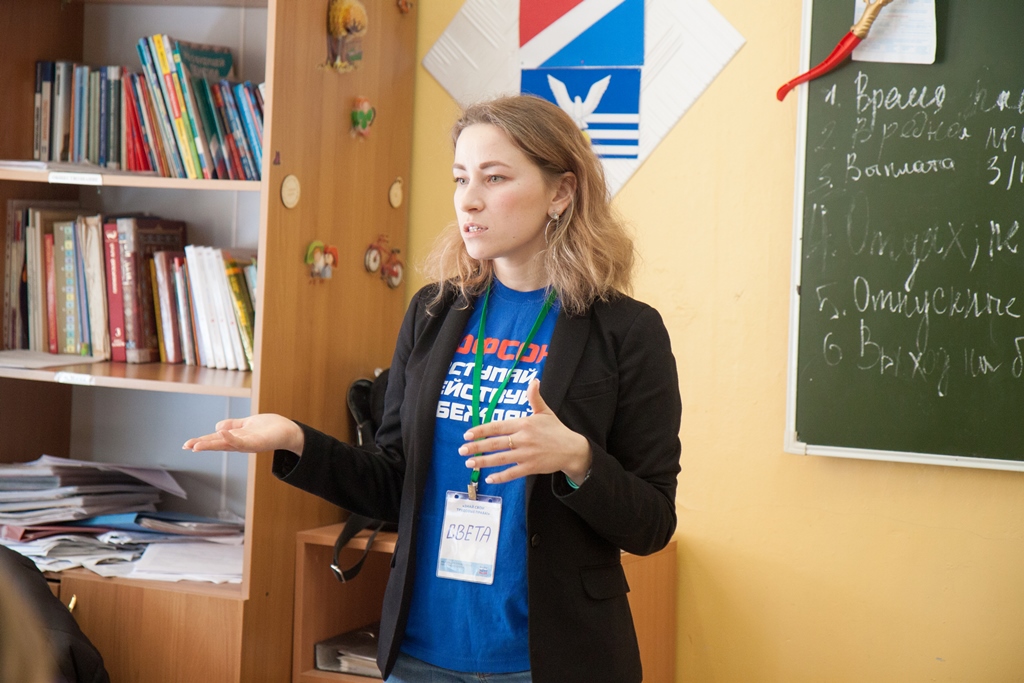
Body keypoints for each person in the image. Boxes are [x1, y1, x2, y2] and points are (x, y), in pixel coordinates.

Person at [183, 94, 682, 683]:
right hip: (422, 655)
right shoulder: (432, 313)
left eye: (494, 178)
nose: (469, 199)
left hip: (552, 660)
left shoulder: (626, 331)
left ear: (561, 193)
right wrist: (296, 440)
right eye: (461, 178)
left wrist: (578, 459)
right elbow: (393, 480)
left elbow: (652, 523)